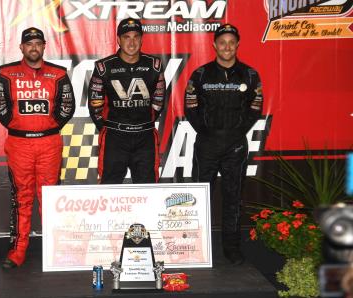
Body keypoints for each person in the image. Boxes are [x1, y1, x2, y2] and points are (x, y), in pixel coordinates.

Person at [0, 27, 75, 268]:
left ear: (44, 46)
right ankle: (18, 251)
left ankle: (55, 251)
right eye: (29, 44)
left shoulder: (58, 74)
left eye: (38, 43)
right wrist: (17, 126)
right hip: (19, 144)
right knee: (22, 198)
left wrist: (50, 126)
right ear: (21, 47)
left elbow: (67, 105)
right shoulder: (7, 73)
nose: (34, 47)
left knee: (49, 197)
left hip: (49, 142)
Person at [184, 24, 263, 265]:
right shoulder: (200, 74)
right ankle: (198, 247)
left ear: (237, 44)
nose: (227, 46)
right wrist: (207, 133)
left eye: (231, 42)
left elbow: (256, 107)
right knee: (199, 198)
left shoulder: (250, 75)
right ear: (214, 45)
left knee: (233, 198)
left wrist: (237, 133)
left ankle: (232, 247)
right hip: (206, 145)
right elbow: (190, 107)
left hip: (235, 146)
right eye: (222, 42)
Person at [87, 18, 165, 184]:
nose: (131, 42)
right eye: (126, 37)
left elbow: (158, 102)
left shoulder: (154, 65)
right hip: (115, 138)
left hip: (145, 137)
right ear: (118, 39)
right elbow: (95, 105)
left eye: (136, 36)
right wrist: (110, 128)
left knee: (148, 190)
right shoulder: (104, 67)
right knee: (109, 188)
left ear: (141, 39)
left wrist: (142, 124)